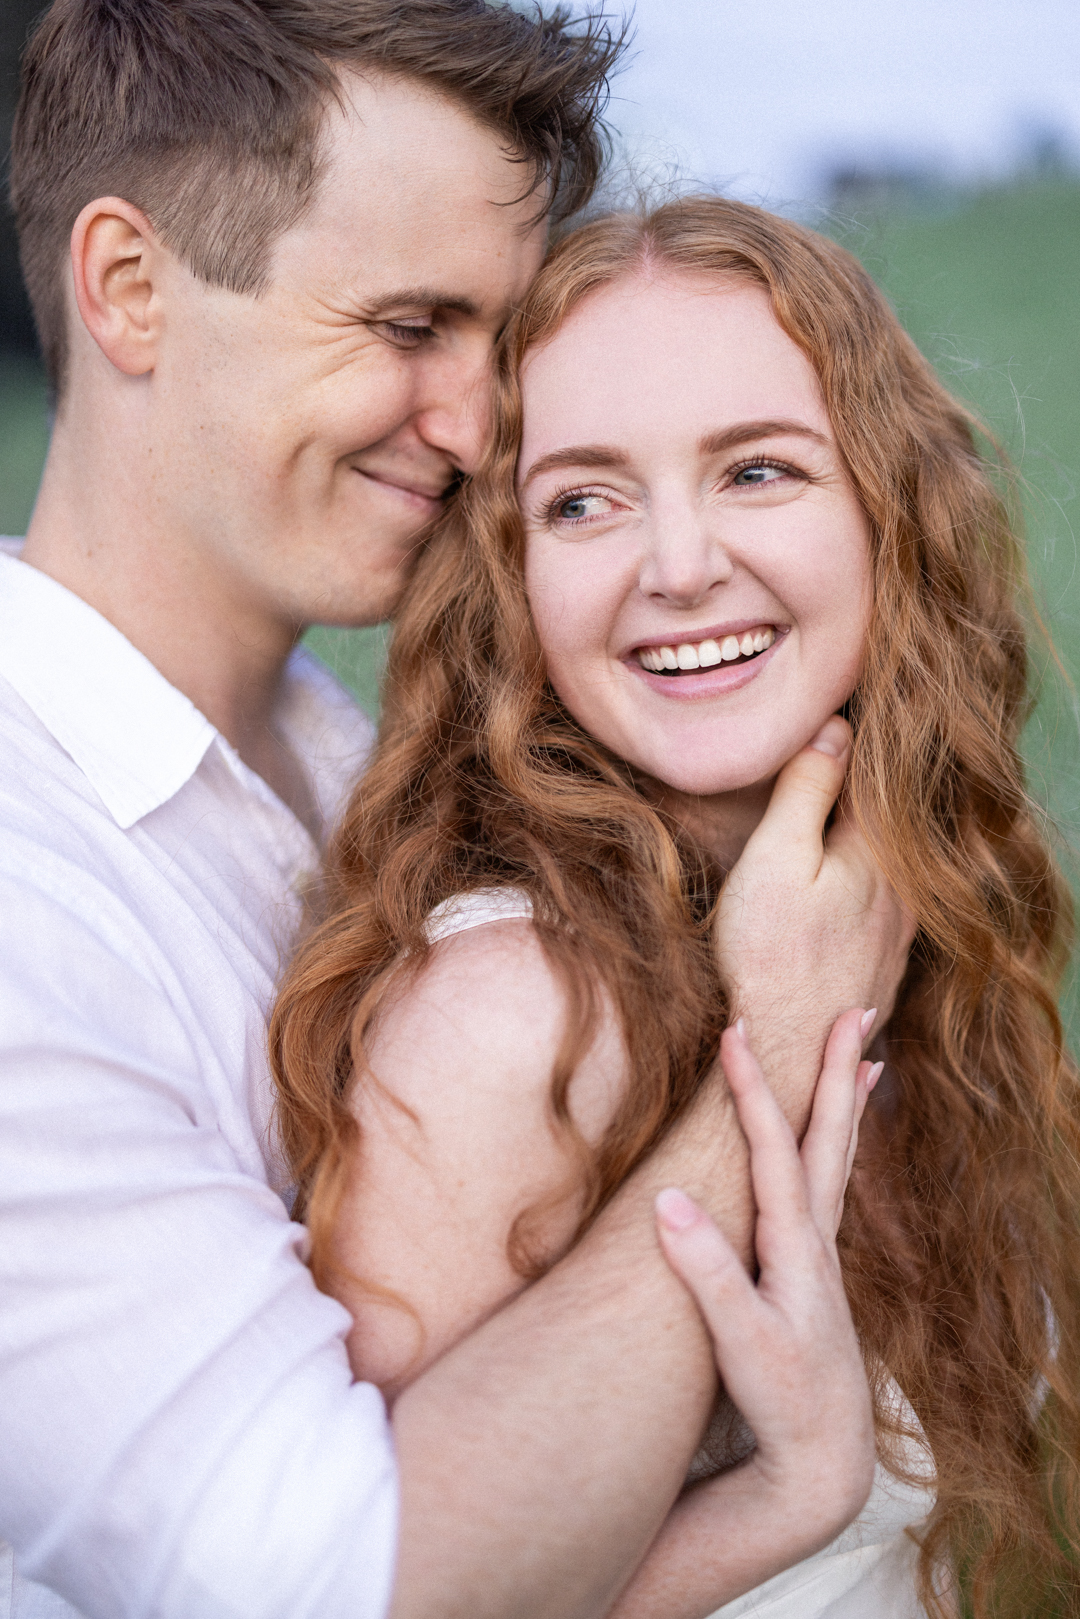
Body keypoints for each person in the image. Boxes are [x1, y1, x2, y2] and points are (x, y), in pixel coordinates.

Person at [0, 5, 913, 1617]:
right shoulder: (27, 890)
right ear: (131, 289)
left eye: (496, 345)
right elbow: (328, 1585)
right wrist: (777, 1042)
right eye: (410, 324)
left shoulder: (376, 761)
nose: (489, 428)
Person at [272, 196, 1080, 1619]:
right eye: (584, 498)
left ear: (892, 512)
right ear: (509, 579)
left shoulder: (902, 919)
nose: (680, 564)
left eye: (758, 470)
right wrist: (785, 1499)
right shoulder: (512, 1019)